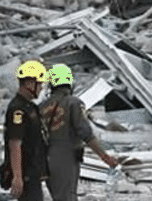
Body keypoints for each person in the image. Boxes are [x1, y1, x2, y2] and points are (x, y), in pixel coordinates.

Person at [40, 64, 119, 201]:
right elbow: (86, 134)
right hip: (65, 158)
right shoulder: (74, 103)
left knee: (58, 196)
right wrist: (105, 157)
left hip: (45, 159)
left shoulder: (42, 107)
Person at [4, 60, 49, 201]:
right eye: (39, 84)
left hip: (34, 172)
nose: (41, 88)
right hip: (26, 174)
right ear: (30, 83)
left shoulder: (30, 107)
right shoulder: (18, 109)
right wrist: (17, 177)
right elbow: (15, 143)